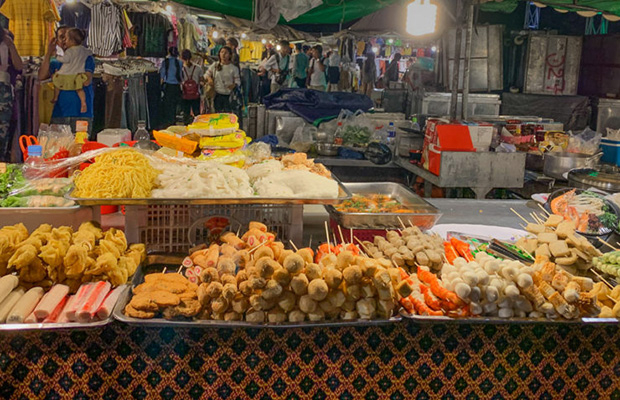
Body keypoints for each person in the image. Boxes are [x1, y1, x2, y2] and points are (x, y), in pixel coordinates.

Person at [39, 26, 95, 137]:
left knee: (80, 148)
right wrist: (49, 53)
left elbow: (86, 80)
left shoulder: (86, 58)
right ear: (57, 41)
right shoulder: (55, 62)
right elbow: (41, 76)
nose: (64, 40)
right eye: (61, 37)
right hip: (59, 113)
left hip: (81, 114)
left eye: (67, 37)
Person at [51, 28, 91, 114]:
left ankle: (55, 97)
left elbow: (65, 59)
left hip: (66, 75)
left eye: (66, 38)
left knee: (57, 83)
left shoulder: (70, 51)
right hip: (78, 76)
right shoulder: (84, 50)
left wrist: (56, 56)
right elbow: (90, 52)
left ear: (72, 41)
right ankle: (83, 102)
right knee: (79, 90)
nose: (65, 41)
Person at [0, 28, 22, 161]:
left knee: (4, 134)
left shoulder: (8, 50)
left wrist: (11, 46)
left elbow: (19, 66)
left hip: (6, 94)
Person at [206, 46, 240, 113]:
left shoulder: (234, 68)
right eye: (222, 52)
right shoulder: (215, 65)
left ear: (230, 55)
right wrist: (209, 79)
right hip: (217, 95)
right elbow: (206, 74)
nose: (223, 54)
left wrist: (233, 85)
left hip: (228, 96)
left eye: (226, 53)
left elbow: (238, 81)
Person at [160, 46, 182, 126]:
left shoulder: (165, 62)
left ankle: (168, 121)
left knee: (167, 104)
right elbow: (181, 76)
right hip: (176, 87)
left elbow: (162, 76)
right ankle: (173, 120)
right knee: (174, 104)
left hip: (168, 86)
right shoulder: (179, 62)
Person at [180, 49, 203, 123]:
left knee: (186, 113)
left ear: (181, 58)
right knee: (197, 114)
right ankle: (198, 127)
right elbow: (202, 80)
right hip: (196, 94)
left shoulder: (181, 69)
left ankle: (186, 128)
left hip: (185, 94)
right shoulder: (198, 68)